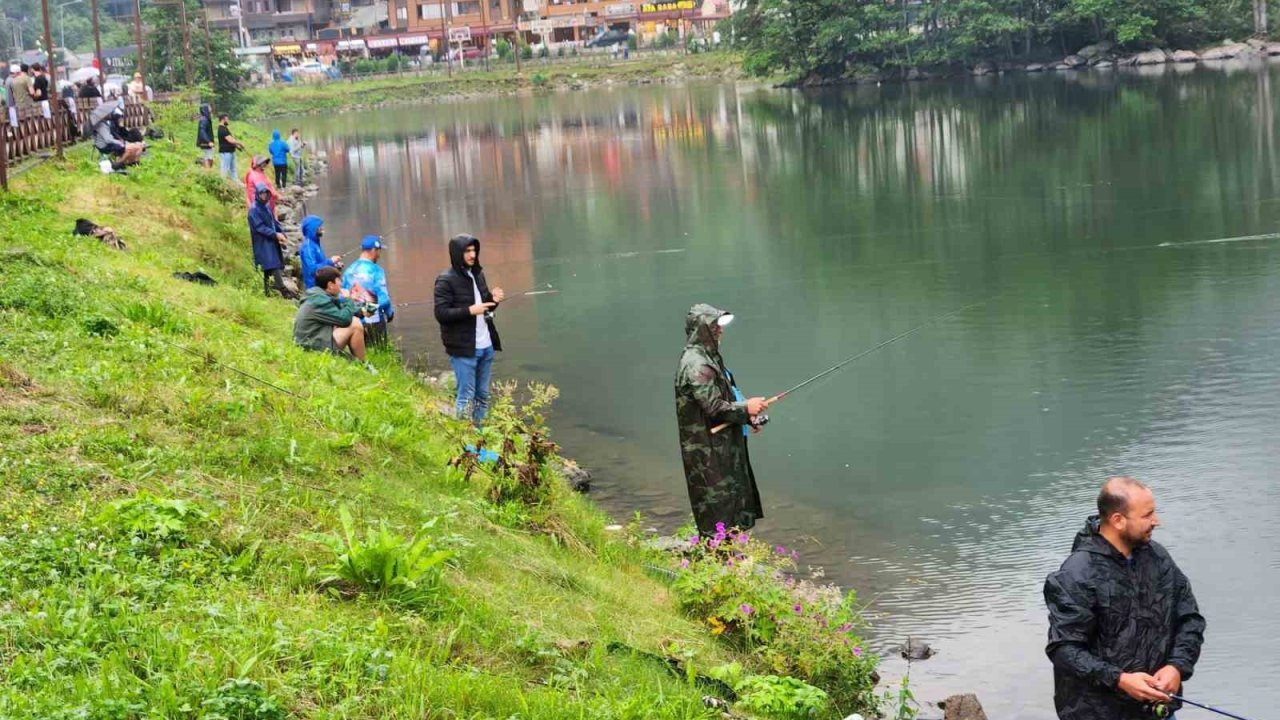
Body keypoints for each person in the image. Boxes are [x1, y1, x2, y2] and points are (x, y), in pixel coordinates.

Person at [1044, 477, 1206, 720]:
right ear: (1118, 520)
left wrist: (1177, 666)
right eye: (1147, 515)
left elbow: (1190, 619)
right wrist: (1120, 679)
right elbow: (1064, 649)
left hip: (1157, 711)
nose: (1156, 521)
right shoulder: (1076, 574)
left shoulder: (1158, 558)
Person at [674, 304, 769, 534]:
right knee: (716, 508)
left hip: (723, 447)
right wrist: (746, 409)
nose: (720, 331)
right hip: (707, 452)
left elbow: (726, 398)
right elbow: (715, 407)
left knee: (733, 503)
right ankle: (716, 560)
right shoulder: (697, 364)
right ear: (702, 330)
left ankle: (728, 559)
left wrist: (748, 417)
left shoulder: (709, 358)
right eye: (715, 326)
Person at [433, 234, 504, 424]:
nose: (472, 255)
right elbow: (441, 314)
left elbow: (484, 305)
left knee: (482, 394)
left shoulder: (478, 274)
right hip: (463, 348)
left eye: (474, 250)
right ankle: (463, 436)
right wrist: (469, 311)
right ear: (457, 254)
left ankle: (478, 433)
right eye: (467, 251)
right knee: (466, 393)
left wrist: (494, 300)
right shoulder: (445, 280)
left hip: (486, 344)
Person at [293, 266, 373, 369]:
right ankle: (363, 365)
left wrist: (362, 311)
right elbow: (344, 320)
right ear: (330, 285)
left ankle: (358, 362)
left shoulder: (318, 295)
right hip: (310, 345)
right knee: (355, 324)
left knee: (352, 320)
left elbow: (337, 312)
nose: (341, 284)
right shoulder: (320, 300)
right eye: (339, 281)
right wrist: (348, 300)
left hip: (309, 340)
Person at [343, 236, 394, 347]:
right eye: (379, 251)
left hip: (354, 321)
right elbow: (384, 300)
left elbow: (343, 297)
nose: (379, 255)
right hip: (373, 321)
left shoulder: (349, 270)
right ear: (374, 250)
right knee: (379, 353)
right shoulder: (376, 271)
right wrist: (390, 312)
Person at [248, 182, 295, 299]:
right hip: (262, 242)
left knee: (274, 263)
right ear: (258, 194)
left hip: (271, 241)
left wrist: (282, 233)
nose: (264, 196)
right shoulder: (253, 210)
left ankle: (273, 290)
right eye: (262, 194)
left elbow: (274, 222)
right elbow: (259, 227)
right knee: (268, 265)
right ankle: (279, 289)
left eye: (266, 193)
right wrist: (275, 234)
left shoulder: (267, 207)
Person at [93, 102, 144, 173]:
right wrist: (120, 142)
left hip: (109, 144)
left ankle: (131, 162)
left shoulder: (105, 123)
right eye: (108, 113)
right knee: (133, 148)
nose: (110, 114)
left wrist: (120, 141)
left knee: (139, 146)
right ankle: (118, 164)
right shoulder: (101, 125)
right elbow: (108, 140)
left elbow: (112, 136)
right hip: (106, 147)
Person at [299, 214, 342, 290]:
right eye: (320, 226)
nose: (322, 228)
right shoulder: (308, 247)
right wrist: (330, 261)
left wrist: (333, 266)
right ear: (313, 228)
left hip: (321, 287)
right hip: (314, 289)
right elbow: (312, 269)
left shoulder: (315, 243)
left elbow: (320, 264)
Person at [217, 113, 245, 180]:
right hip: (225, 152)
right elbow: (230, 140)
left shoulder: (225, 128)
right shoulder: (221, 129)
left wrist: (237, 146)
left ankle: (236, 182)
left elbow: (231, 140)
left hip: (231, 151)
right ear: (223, 120)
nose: (228, 120)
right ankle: (222, 182)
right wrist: (240, 143)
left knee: (233, 168)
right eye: (227, 119)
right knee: (224, 168)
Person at [196, 103, 214, 169]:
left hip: (207, 141)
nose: (210, 108)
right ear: (205, 109)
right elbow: (202, 131)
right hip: (205, 142)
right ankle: (206, 171)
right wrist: (208, 141)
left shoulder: (206, 118)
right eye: (209, 107)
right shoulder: (204, 119)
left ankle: (204, 167)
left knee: (209, 158)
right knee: (208, 158)